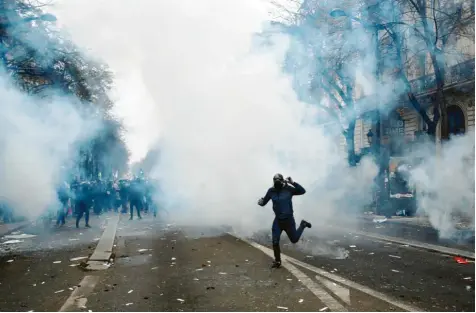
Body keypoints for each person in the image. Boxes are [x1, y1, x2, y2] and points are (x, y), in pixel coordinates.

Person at [257, 174, 312, 268]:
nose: (277, 184)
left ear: (282, 181)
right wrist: (260, 202)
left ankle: (302, 224)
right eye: (275, 182)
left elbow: (302, 191)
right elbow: (264, 202)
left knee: (294, 240)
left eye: (279, 182)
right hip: (278, 221)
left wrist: (293, 183)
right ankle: (277, 261)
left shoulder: (288, 189)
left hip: (289, 220)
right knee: (275, 241)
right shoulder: (271, 191)